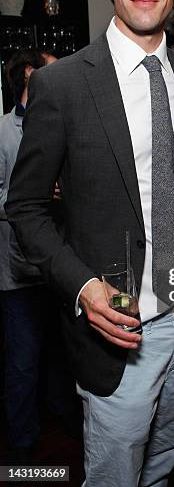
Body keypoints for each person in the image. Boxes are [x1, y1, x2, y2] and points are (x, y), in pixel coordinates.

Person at [6, 0, 174, 487]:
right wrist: (86, 286)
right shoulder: (61, 83)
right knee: (116, 471)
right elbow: (24, 207)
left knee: (168, 457)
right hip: (122, 322)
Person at [0, 49, 56, 464]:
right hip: (17, 268)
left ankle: (59, 421)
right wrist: (31, 198)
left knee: (61, 354)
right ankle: (21, 446)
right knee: (22, 359)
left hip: (63, 263)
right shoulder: (2, 131)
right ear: (30, 78)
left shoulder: (62, 122)